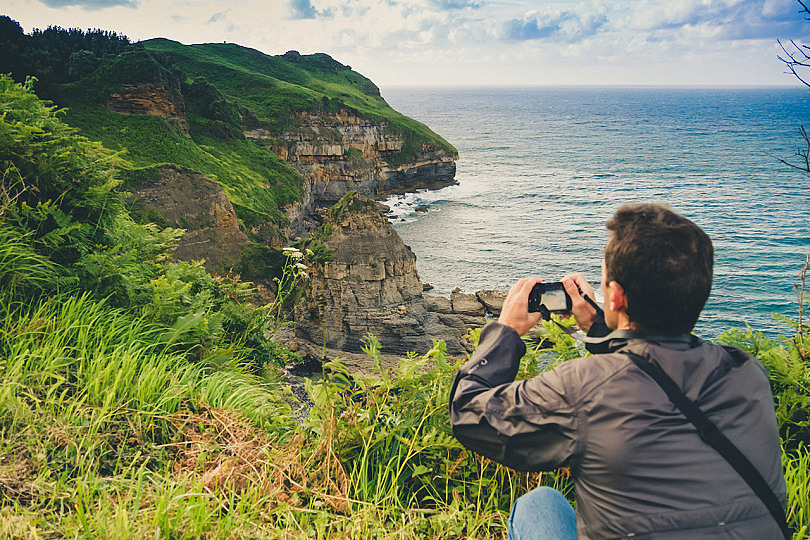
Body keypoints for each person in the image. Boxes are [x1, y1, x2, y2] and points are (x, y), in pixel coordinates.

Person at [448, 203, 787, 539]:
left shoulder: (584, 388)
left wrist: (505, 331)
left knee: (539, 505)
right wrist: (598, 327)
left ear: (616, 296)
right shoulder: (747, 372)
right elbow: (651, 369)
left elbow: (469, 412)